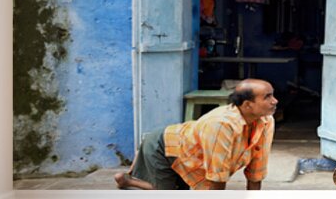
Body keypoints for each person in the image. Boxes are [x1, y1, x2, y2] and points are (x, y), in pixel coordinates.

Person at [114, 78, 278, 190]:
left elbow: (258, 165)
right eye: (267, 97)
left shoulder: (266, 121)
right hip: (163, 147)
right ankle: (128, 181)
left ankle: (130, 180)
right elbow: (217, 175)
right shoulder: (221, 124)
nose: (275, 101)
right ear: (248, 105)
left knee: (188, 198)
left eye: (273, 95)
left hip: (190, 153)